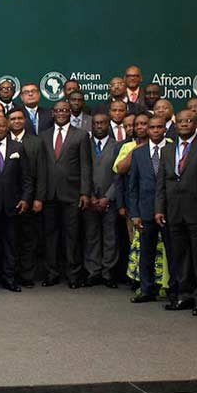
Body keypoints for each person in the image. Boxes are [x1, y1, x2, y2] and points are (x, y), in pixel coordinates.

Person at [155, 110, 197, 316]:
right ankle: (184, 295)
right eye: (180, 121)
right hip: (173, 211)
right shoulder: (167, 150)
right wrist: (159, 209)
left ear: (196, 124)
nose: (183, 124)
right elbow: (162, 183)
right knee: (179, 256)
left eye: (188, 121)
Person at [40, 101, 91, 288]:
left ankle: (74, 275)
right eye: (58, 110)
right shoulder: (43, 136)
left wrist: (85, 192)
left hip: (72, 194)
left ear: (71, 113)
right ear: (52, 114)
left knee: (72, 236)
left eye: (65, 110)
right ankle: (52, 273)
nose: (61, 113)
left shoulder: (81, 135)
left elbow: (86, 165)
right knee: (50, 236)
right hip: (49, 194)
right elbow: (41, 166)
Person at [0, 114, 32, 292]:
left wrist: (26, 198)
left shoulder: (18, 147)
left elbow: (26, 177)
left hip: (13, 205)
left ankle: (10, 279)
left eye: (2, 126)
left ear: (7, 127)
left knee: (11, 244)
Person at [129, 117, 173, 304]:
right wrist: (135, 213)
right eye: (152, 127)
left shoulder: (172, 149)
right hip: (145, 210)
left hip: (169, 209)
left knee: (173, 252)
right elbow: (133, 186)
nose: (155, 130)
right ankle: (146, 289)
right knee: (146, 252)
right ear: (147, 129)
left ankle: (175, 289)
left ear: (165, 129)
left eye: (159, 127)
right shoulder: (138, 153)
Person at [8, 107, 46, 289]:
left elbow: (41, 172)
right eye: (13, 118)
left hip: (30, 198)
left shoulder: (36, 142)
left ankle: (27, 275)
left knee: (28, 239)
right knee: (10, 239)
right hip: (7, 199)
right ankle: (10, 273)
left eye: (19, 118)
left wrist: (38, 198)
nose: (16, 121)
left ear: (25, 120)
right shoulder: (2, 138)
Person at [83, 113, 121, 288]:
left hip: (109, 200)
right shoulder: (85, 145)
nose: (99, 126)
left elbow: (119, 175)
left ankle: (108, 273)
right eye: (96, 123)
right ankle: (93, 271)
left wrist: (107, 197)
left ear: (108, 125)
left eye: (102, 123)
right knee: (91, 236)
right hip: (89, 199)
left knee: (110, 237)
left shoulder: (117, 146)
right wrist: (89, 195)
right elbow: (82, 171)